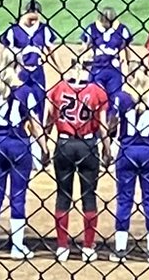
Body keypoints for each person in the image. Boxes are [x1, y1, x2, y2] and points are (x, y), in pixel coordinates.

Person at [0, 65, 47, 260]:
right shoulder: (27, 91)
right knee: (18, 195)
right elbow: (35, 123)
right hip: (19, 144)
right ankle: (17, 246)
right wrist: (44, 148)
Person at [47, 57, 110, 262]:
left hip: (64, 144)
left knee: (63, 194)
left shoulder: (58, 89)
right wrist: (107, 149)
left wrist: (45, 143)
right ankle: (88, 247)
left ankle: (62, 247)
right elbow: (102, 125)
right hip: (88, 145)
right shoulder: (97, 91)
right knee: (89, 195)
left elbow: (48, 119)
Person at [109, 71, 149, 261]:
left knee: (124, 199)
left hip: (126, 151)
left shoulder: (121, 98)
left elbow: (111, 123)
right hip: (148, 152)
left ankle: (120, 248)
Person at [1, 0, 58, 114]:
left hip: (37, 72)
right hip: (20, 72)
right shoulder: (14, 30)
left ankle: (37, 129)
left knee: (39, 102)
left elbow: (52, 50)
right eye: (31, 18)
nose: (33, 21)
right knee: (18, 102)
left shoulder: (43, 29)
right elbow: (6, 54)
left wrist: (61, 69)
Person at [80, 6, 135, 99]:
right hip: (97, 68)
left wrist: (129, 68)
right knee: (95, 96)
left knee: (114, 98)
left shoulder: (121, 30)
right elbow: (84, 47)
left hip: (114, 69)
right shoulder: (92, 29)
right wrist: (81, 61)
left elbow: (126, 49)